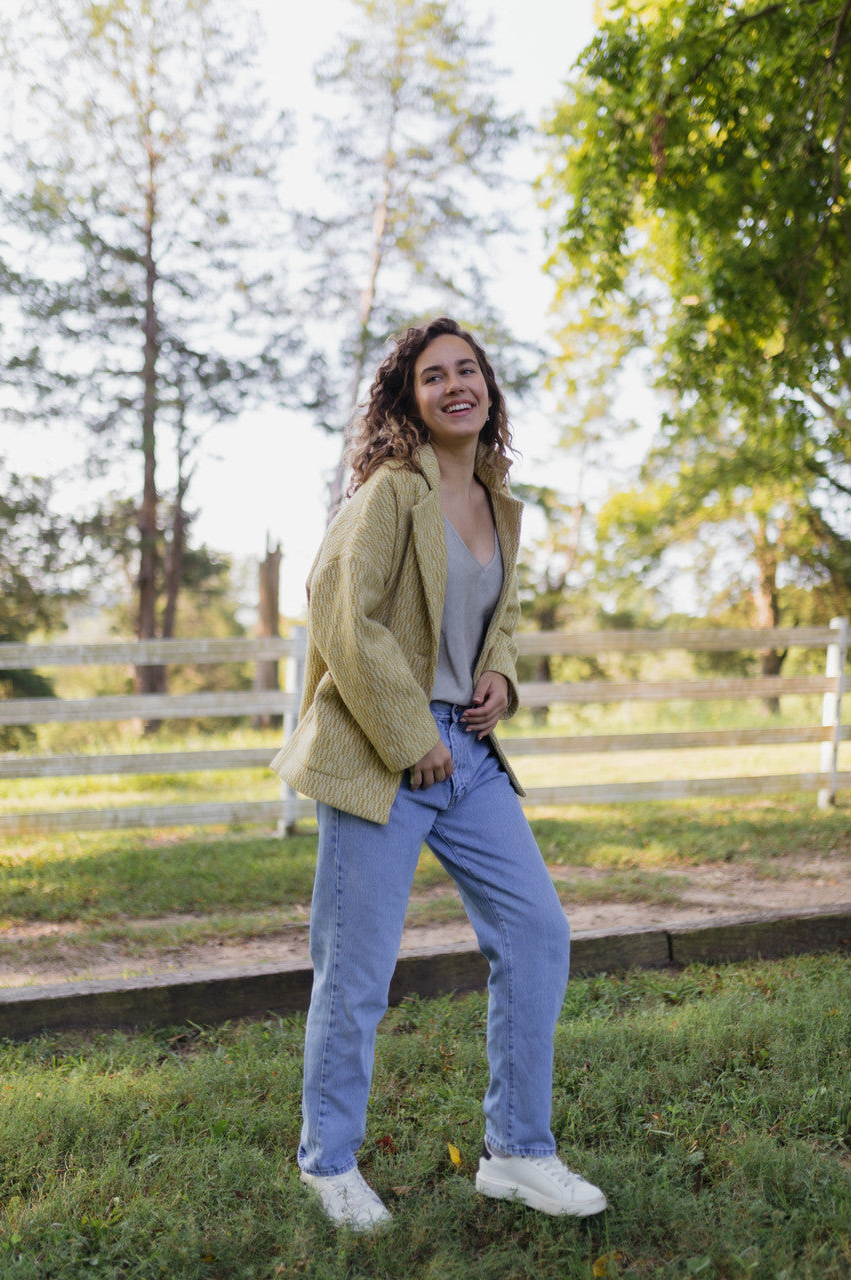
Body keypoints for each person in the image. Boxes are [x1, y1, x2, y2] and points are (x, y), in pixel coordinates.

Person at [271, 317, 607, 1232]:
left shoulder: (500, 503)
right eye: (433, 375)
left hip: (471, 758)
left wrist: (497, 669)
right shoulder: (391, 492)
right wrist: (408, 725)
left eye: (469, 371)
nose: (455, 385)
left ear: (488, 391)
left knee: (538, 935)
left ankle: (518, 1153)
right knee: (355, 974)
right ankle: (328, 1163)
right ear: (407, 399)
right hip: (390, 758)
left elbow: (490, 615)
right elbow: (339, 611)